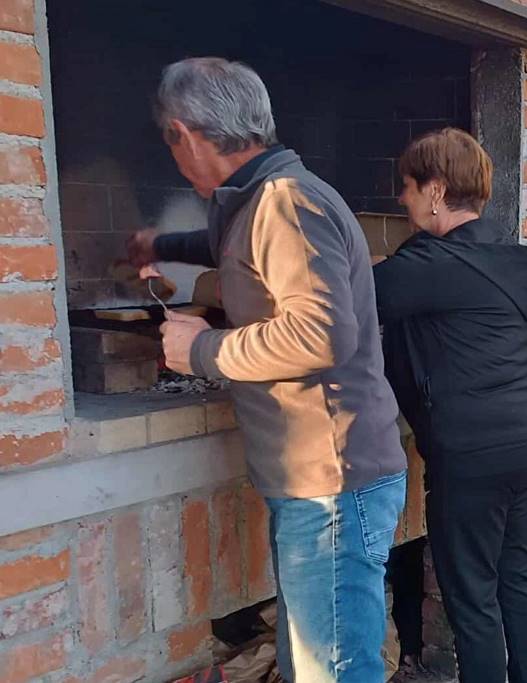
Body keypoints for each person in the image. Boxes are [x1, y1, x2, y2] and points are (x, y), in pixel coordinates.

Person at [130, 57, 408, 682]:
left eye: (170, 144)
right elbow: (234, 248)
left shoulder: (286, 203)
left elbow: (320, 333)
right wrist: (160, 246)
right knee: (310, 660)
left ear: (185, 134)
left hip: (332, 481)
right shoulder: (261, 200)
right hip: (318, 478)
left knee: (332, 670)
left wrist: (203, 349)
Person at [373, 128, 527, 683]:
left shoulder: (431, 264)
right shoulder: (500, 254)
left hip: (477, 451)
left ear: (435, 191)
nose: (402, 199)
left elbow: (345, 295)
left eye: (408, 187)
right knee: (516, 574)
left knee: (473, 597)